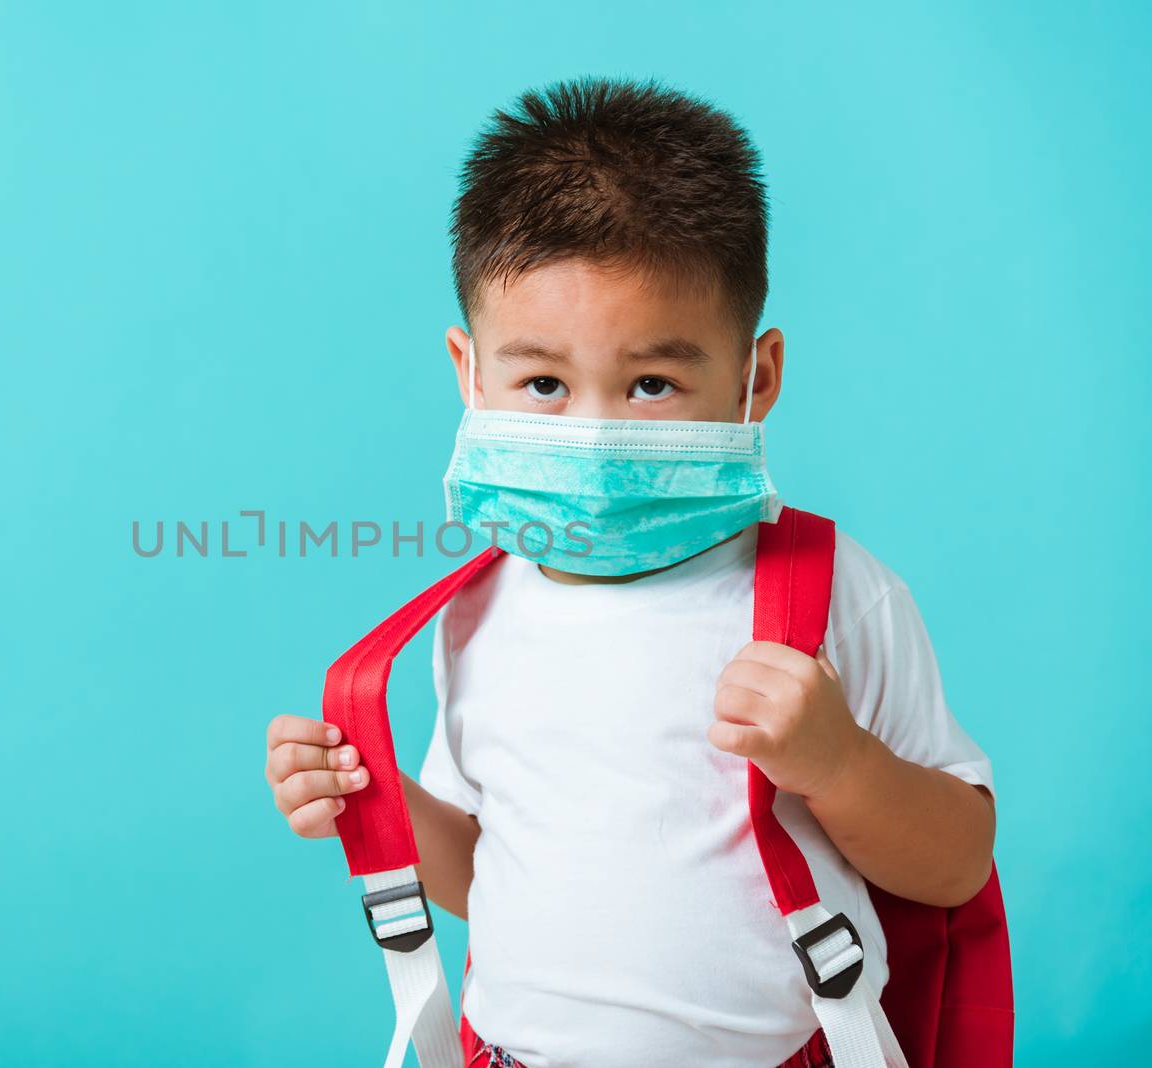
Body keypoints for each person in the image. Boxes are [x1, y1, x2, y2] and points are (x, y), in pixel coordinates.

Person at [263, 77, 995, 1068]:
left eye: (652, 382)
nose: (594, 432)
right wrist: (376, 799)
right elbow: (489, 876)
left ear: (755, 379)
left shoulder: (831, 597)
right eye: (543, 384)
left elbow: (954, 867)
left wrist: (837, 764)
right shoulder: (475, 613)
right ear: (469, 373)